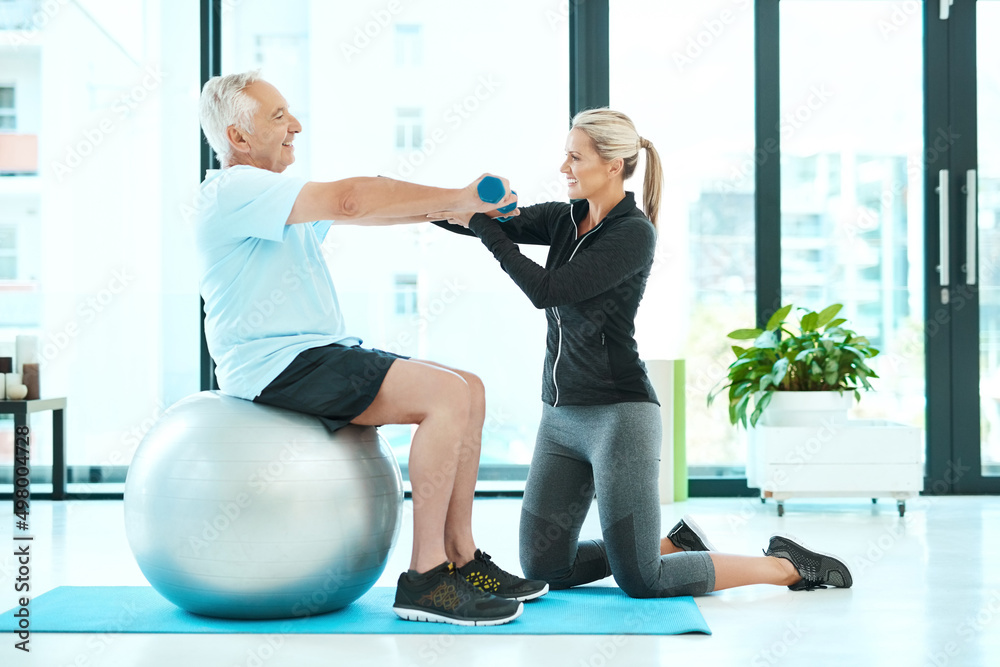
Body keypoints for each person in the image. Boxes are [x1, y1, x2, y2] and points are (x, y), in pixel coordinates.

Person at [429, 108, 853, 598]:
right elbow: (475, 223)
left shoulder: (633, 233)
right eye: (565, 155)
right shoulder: (565, 218)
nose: (564, 167)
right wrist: (451, 205)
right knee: (546, 567)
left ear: (613, 165)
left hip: (619, 417)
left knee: (641, 581)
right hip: (560, 418)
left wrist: (486, 229)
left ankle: (786, 566)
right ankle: (675, 544)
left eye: (574, 157)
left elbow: (548, 289)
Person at [194, 70, 548, 626]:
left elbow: (371, 203)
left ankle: (461, 557)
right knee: (445, 397)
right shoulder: (234, 191)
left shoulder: (273, 198)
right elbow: (355, 199)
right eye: (279, 117)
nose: (296, 127)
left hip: (316, 352)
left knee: (470, 390)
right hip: (275, 365)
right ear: (238, 138)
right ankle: (425, 579)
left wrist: (459, 210)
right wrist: (459, 196)